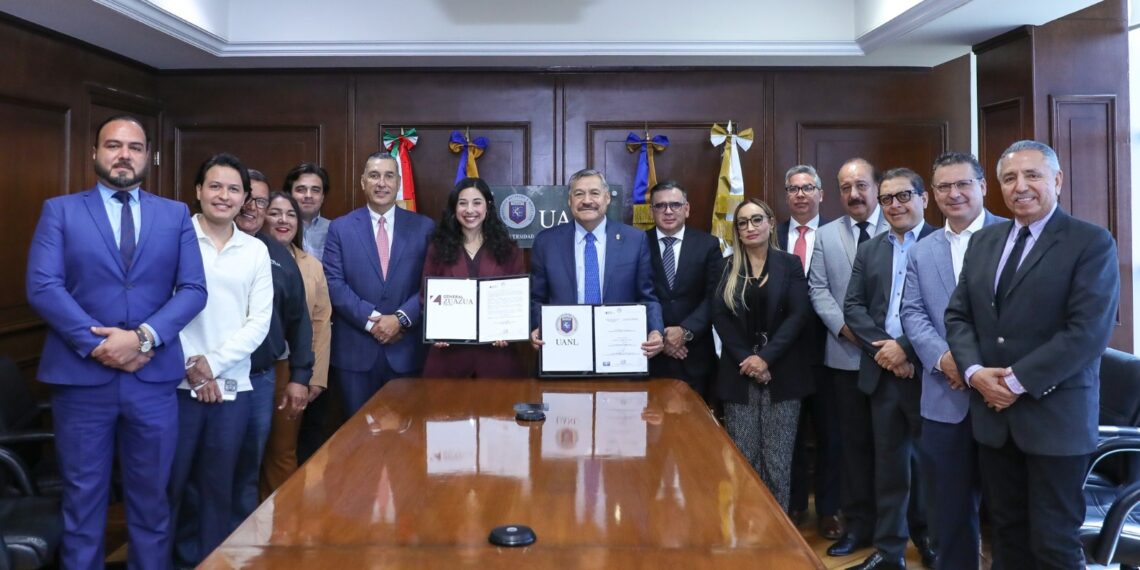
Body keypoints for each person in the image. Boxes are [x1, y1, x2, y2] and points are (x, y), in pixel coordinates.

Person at [26, 115, 207, 570]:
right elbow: (44, 286)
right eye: (113, 145)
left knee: (152, 504)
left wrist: (142, 338)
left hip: (152, 380)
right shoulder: (60, 210)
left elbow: (193, 289)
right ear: (95, 153)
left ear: (149, 156)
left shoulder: (175, 214)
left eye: (135, 147)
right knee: (83, 504)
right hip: (82, 381)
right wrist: (101, 346)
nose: (124, 154)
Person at [945, 140, 1119, 569]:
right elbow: (958, 315)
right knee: (1006, 536)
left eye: (1032, 175)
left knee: (1054, 544)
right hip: (994, 420)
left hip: (1055, 420)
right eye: (1009, 178)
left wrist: (1014, 382)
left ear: (1057, 180)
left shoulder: (1090, 242)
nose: (1020, 186)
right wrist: (973, 372)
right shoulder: (984, 241)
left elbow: (1086, 334)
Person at [899, 152, 1005, 570]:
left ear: (983, 186)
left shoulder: (1014, 236)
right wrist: (945, 360)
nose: (953, 194)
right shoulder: (922, 250)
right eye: (943, 186)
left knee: (1008, 513)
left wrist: (979, 370)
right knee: (949, 514)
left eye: (963, 184)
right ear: (932, 195)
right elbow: (912, 312)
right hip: (944, 399)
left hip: (1004, 397)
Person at [168, 153, 273, 567]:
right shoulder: (174, 237)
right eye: (215, 186)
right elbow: (156, 309)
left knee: (218, 490)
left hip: (232, 387)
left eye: (233, 189)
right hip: (175, 385)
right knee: (171, 487)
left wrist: (211, 365)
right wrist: (190, 368)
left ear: (245, 197)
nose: (223, 195)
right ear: (198, 191)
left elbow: (258, 321)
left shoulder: (255, 250)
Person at [843, 167, 936, 570]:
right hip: (883, 375)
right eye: (887, 199)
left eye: (904, 196)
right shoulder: (872, 249)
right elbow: (853, 307)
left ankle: (932, 540)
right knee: (890, 466)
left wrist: (906, 350)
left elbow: (952, 311)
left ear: (923, 198)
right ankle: (890, 550)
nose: (895, 205)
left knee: (933, 466)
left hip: (932, 377)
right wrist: (888, 351)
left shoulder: (943, 243)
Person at [807, 158, 889, 557]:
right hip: (844, 356)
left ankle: (902, 530)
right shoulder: (826, 235)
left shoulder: (901, 227)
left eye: (861, 185)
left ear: (877, 187)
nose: (853, 194)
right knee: (851, 448)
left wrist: (884, 342)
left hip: (895, 360)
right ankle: (858, 527)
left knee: (896, 450)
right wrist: (847, 330)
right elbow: (819, 290)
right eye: (845, 187)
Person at [712, 198, 810, 512]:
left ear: (769, 223)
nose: (750, 227)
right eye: (742, 222)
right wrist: (750, 361)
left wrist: (766, 358)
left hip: (782, 374)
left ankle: (777, 536)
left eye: (756, 220)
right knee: (743, 459)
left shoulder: (789, 264)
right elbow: (721, 319)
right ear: (737, 231)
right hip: (739, 376)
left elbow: (798, 316)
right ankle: (745, 530)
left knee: (778, 460)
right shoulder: (725, 267)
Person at [324, 152, 434, 415]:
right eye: (374, 176)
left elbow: (431, 283)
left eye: (388, 176)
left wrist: (400, 319)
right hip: (355, 354)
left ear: (398, 183)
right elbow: (334, 284)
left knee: (407, 441)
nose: (381, 183)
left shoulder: (425, 227)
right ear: (363, 182)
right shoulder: (341, 228)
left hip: (406, 350)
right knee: (358, 439)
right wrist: (374, 321)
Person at [529, 168, 664, 357]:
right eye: (579, 194)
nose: (587, 201)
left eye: (594, 193)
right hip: (564, 348)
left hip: (618, 352)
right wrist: (537, 326)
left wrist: (656, 331)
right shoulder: (546, 242)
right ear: (569, 201)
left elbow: (647, 296)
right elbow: (536, 298)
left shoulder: (634, 240)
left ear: (607, 198)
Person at [778, 164, 843, 539]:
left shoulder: (838, 235)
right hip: (785, 353)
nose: (801, 194)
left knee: (832, 433)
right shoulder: (771, 233)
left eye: (808, 187)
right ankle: (796, 503)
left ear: (821, 194)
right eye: (793, 188)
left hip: (831, 348)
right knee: (792, 433)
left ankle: (830, 509)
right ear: (786, 195)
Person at [260, 190, 332, 494]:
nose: (283, 220)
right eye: (275, 213)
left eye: (290, 214)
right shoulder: (248, 253)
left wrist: (311, 376)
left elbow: (320, 322)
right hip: (245, 368)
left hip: (290, 370)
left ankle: (281, 526)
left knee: (283, 452)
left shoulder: (310, 264)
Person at [422, 177, 526, 377]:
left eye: (477, 203)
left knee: (496, 408)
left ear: (488, 206)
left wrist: (510, 332)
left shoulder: (509, 249)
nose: (470, 210)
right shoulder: (437, 248)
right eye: (463, 203)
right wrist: (435, 330)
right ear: (454, 208)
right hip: (448, 357)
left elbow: (519, 302)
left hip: (496, 359)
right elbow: (424, 297)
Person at [644, 180, 723, 402]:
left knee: (696, 432)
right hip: (651, 355)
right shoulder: (638, 243)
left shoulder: (708, 244)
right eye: (660, 206)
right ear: (652, 211)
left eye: (675, 205)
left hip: (694, 354)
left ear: (686, 208)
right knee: (651, 432)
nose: (668, 211)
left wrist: (685, 332)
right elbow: (634, 295)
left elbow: (714, 296)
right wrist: (662, 336)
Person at [285, 162, 331, 261]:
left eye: (315, 190)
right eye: (301, 190)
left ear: (322, 197)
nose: (308, 195)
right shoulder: (279, 227)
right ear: (289, 194)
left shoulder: (334, 230)